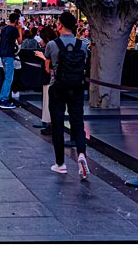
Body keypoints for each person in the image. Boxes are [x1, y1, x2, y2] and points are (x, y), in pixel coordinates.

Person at [44, 10, 90, 179]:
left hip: (58, 87)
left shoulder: (52, 45)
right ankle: (81, 153)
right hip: (77, 86)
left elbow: (48, 68)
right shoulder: (82, 45)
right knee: (77, 122)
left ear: (60, 26)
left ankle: (60, 164)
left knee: (57, 124)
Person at [0, 11, 23, 109]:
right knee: (9, 78)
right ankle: (4, 100)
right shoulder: (14, 29)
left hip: (2, 55)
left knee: (6, 77)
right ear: (16, 20)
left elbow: (0, 42)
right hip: (9, 55)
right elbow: (20, 41)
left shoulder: (4, 29)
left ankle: (1, 98)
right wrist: (20, 29)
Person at [37, 25, 58, 134]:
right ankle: (50, 123)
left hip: (50, 77)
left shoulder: (51, 46)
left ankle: (51, 124)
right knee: (48, 100)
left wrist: (42, 56)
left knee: (49, 100)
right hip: (51, 77)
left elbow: (49, 64)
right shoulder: (56, 44)